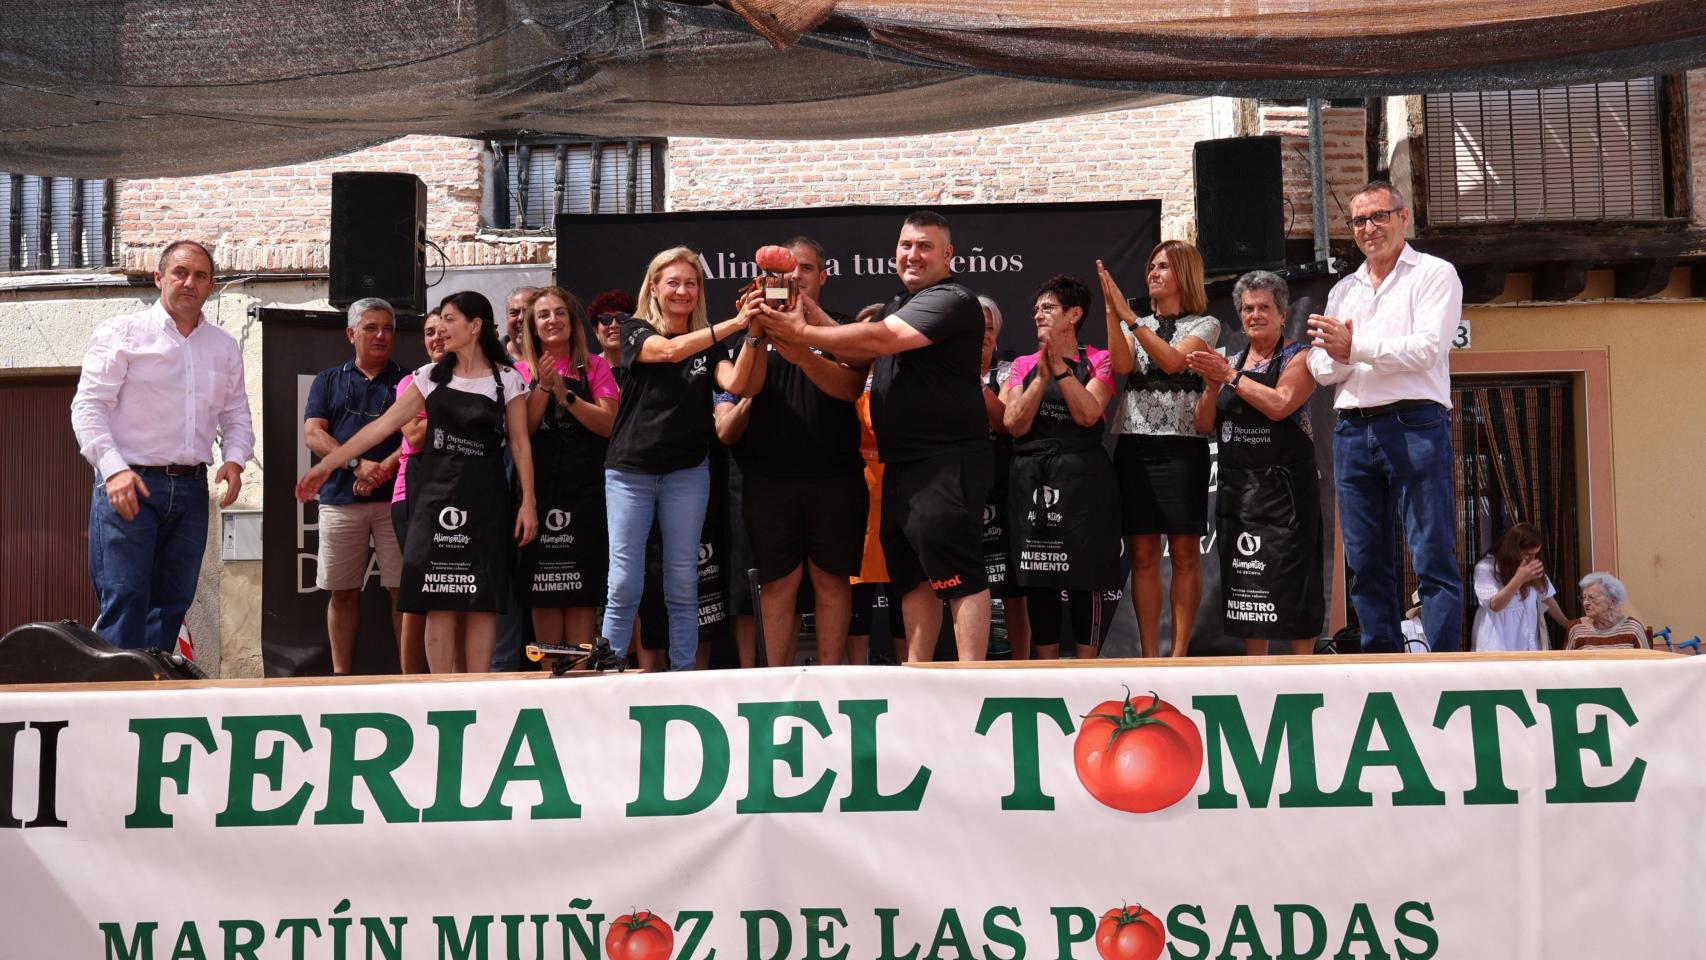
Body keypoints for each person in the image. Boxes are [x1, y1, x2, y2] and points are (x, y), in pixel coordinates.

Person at [763, 210, 990, 662]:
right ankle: (920, 672)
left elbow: (879, 338)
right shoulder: (896, 305)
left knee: (958, 576)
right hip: (901, 463)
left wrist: (802, 331)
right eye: (906, 245)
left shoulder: (952, 298)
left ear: (948, 255)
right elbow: (850, 347)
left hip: (945, 459)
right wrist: (802, 313)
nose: (913, 254)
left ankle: (973, 682)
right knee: (914, 577)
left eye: (925, 246)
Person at [296, 291, 538, 674]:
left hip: (487, 497)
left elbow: (522, 446)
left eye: (450, 319)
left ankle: (477, 690)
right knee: (439, 596)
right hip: (435, 497)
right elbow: (382, 427)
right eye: (439, 319)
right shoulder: (427, 378)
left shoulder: (505, 379)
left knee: (482, 598)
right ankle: (440, 693)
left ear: (474, 327)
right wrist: (329, 465)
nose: (440, 328)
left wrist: (528, 504)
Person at [1307, 180, 1466, 653]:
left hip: (1415, 423)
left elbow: (1425, 350)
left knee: (1431, 551)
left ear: (1403, 218)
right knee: (1364, 558)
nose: (1369, 228)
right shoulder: (1343, 291)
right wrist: (1346, 354)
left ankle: (1442, 663)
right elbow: (1318, 367)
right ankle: (1380, 659)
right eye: (1359, 220)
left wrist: (1354, 348)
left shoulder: (1435, 274)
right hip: (1353, 429)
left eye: (1379, 216)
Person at [71, 240, 252, 651]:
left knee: (172, 604)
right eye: (180, 273)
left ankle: (152, 703)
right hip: (129, 483)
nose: (190, 282)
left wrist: (236, 459)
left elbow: (236, 413)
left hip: (190, 489)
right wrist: (112, 468)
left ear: (211, 286)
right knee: (126, 599)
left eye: (201, 276)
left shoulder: (222, 346)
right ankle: (116, 706)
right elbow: (88, 407)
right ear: (159, 278)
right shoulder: (122, 332)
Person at [602, 247, 754, 671]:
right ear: (654, 286)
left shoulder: (710, 344)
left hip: (687, 471)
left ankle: (683, 674)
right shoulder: (634, 329)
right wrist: (736, 323)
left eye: (690, 283)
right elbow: (668, 353)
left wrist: (756, 333)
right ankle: (608, 667)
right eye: (672, 282)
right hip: (631, 471)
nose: (682, 291)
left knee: (683, 582)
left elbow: (737, 381)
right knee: (624, 581)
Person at [723, 236, 868, 667]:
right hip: (769, 479)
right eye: (783, 273)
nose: (794, 279)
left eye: (804, 269)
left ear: (823, 276)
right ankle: (775, 683)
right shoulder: (753, 326)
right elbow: (744, 387)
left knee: (831, 579)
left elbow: (849, 388)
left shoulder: (841, 328)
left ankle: (829, 677)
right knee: (777, 583)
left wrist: (803, 347)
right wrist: (756, 329)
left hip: (835, 475)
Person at [1187, 271, 1324, 657]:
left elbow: (1281, 405)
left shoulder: (1299, 357)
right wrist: (1213, 386)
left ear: (1283, 315)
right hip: (1240, 496)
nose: (1255, 315)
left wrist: (1228, 377)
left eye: (1265, 307)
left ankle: (1304, 670)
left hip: (1287, 496)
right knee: (1249, 592)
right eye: (1248, 308)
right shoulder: (1227, 362)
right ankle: (1255, 670)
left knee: (1298, 584)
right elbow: (1203, 424)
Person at [1098, 241, 1219, 658]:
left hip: (1183, 449)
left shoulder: (1205, 325)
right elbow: (1122, 366)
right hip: (1134, 444)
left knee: (1185, 552)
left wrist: (1131, 319)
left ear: (1183, 273)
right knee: (1143, 552)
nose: (1153, 271)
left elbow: (1170, 361)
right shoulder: (1138, 323)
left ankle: (1178, 655)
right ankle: (1150, 654)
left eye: (1163, 266)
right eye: (1151, 265)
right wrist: (1113, 314)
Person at [1001, 275, 1120, 660]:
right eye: (1036, 309)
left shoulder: (1098, 360)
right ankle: (1047, 665)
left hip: (1083, 479)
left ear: (1074, 315)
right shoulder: (1020, 365)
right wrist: (1041, 374)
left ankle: (1087, 668)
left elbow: (1088, 414)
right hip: (1032, 476)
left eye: (1048, 308)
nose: (1038, 314)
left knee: (1088, 574)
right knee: (1039, 574)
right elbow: (1013, 423)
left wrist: (1062, 369)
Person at [302, 297, 407, 674]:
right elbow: (313, 434)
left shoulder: (408, 380)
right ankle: (340, 677)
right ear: (351, 333)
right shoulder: (328, 380)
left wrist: (382, 470)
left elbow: (416, 435)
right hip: (339, 501)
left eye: (388, 328)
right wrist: (357, 465)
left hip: (396, 501)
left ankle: (408, 677)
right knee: (342, 591)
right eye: (371, 328)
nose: (381, 336)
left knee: (402, 593)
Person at [515, 286, 620, 655]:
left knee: (581, 594)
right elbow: (522, 430)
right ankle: (546, 685)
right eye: (543, 315)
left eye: (560, 312)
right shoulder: (518, 371)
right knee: (543, 594)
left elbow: (609, 424)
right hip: (539, 497)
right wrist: (543, 388)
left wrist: (566, 395)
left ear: (572, 322)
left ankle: (578, 687)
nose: (553, 320)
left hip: (587, 496)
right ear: (532, 326)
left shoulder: (596, 366)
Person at [390, 309, 447, 674]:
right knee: (419, 592)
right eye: (429, 333)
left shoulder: (481, 378)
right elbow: (415, 435)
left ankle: (453, 678)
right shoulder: (412, 381)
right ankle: (411, 683)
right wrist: (465, 415)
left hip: (463, 489)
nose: (436, 339)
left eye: (443, 331)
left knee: (454, 589)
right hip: (414, 489)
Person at [977, 295, 1029, 660]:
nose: (981, 333)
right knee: (963, 582)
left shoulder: (1010, 372)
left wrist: (971, 382)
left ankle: (1021, 664)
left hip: (1002, 480)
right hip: (957, 481)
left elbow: (1004, 422)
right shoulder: (937, 371)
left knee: (1012, 584)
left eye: (989, 327)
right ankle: (969, 662)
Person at [1468, 523, 1570, 652]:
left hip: (1528, 642)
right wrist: (1518, 579)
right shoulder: (1486, 568)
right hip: (1497, 643)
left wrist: (1568, 625)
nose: (1533, 558)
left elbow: (1547, 598)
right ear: (1513, 550)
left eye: (1536, 554)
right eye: (1528, 553)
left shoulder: (1532, 565)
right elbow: (1495, 605)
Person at [1566, 572, 1648, 651]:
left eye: (1591, 597)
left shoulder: (1633, 628)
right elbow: (1566, 663)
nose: (1585, 603)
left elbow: (1647, 662)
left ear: (1612, 602)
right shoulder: (1576, 629)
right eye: (1584, 598)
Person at [590, 289, 638, 389]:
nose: (614, 325)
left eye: (622, 318)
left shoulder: (647, 367)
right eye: (605, 319)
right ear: (596, 331)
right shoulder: (588, 370)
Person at [503, 286, 539, 363]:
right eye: (514, 313)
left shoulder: (556, 354)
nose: (520, 318)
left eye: (528, 312)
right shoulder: (489, 357)